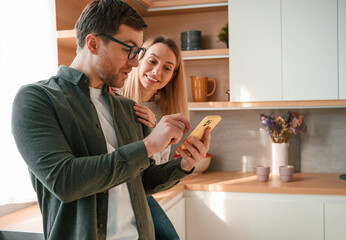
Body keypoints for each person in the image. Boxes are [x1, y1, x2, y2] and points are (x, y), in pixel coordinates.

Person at [11, 1, 211, 240]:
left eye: (138, 52)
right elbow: (64, 181)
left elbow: (141, 181)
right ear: (93, 43)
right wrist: (150, 145)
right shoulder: (36, 99)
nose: (136, 62)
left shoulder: (128, 108)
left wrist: (184, 165)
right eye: (129, 49)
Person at [112, 35, 190, 240]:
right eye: (152, 61)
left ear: (173, 76)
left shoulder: (163, 113)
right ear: (138, 60)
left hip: (139, 189)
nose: (157, 72)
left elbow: (155, 171)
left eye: (167, 68)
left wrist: (154, 130)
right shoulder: (112, 95)